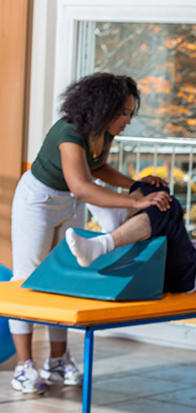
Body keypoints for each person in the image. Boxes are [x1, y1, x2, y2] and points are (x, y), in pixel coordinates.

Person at [9, 73, 171, 394]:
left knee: (62, 277)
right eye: (122, 113)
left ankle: (57, 361)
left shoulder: (102, 133)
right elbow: (82, 186)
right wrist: (136, 199)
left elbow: (96, 169)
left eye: (129, 112)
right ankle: (24, 366)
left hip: (68, 202)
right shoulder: (69, 132)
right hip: (38, 200)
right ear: (102, 107)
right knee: (25, 279)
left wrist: (137, 184)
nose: (127, 119)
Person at [65, 181, 196, 294]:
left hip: (191, 274)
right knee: (156, 186)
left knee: (169, 207)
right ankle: (120, 217)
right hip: (189, 255)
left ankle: (102, 245)